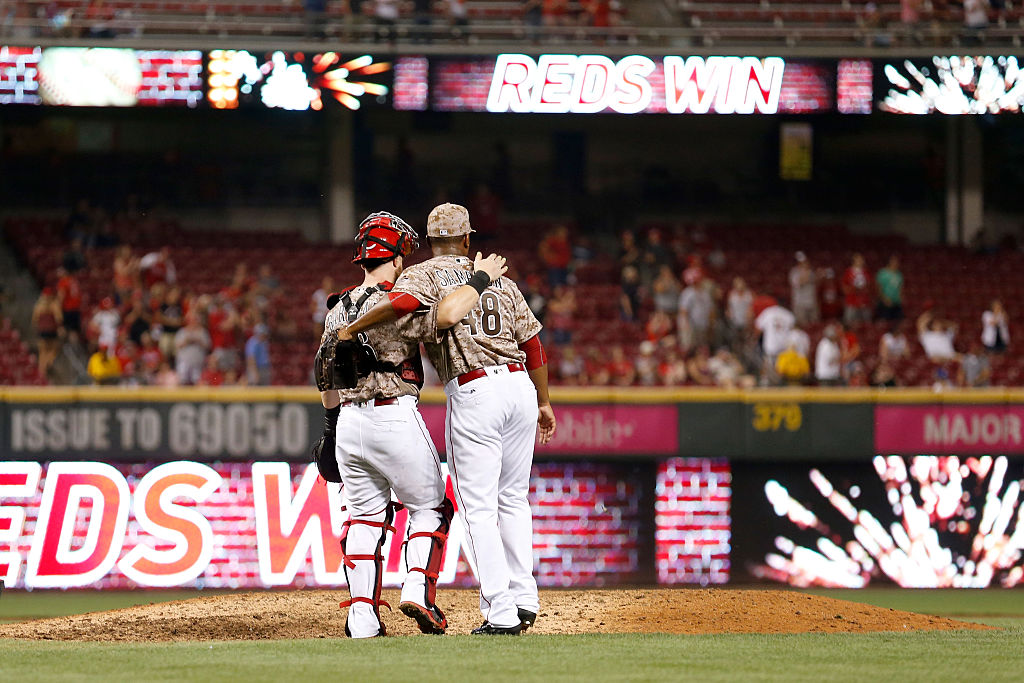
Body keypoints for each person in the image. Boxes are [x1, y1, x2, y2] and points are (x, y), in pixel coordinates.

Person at [339, 203, 556, 635]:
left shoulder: (425, 273)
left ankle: (501, 611)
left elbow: (399, 302)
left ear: (431, 240)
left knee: (478, 509)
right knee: (513, 498)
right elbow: (532, 344)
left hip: (475, 389)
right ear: (468, 239)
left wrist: (352, 327)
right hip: (521, 389)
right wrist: (545, 402)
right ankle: (525, 596)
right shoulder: (502, 281)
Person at [318, 211, 455, 639]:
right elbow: (443, 321)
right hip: (393, 412)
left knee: (363, 520)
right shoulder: (396, 299)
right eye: (403, 251)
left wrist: (330, 425)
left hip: (348, 423)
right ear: (392, 254)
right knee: (431, 507)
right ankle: (418, 588)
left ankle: (362, 618)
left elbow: (325, 374)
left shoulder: (336, 308)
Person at [32, 287, 63, 378]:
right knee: (53, 349)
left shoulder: (38, 306)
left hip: (42, 331)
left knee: (42, 352)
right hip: (51, 331)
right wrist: (60, 328)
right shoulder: (54, 305)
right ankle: (48, 364)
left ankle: (42, 372)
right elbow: (59, 318)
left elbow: (34, 320)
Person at [174, 314, 211, 385]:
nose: (193, 322)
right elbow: (177, 346)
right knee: (182, 382)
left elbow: (208, 346)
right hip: (184, 361)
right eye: (191, 320)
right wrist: (186, 341)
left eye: (194, 320)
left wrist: (198, 341)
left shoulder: (203, 332)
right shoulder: (182, 332)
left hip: (198, 362)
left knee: (198, 382)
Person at [842, 253, 872, 327]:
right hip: (851, 301)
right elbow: (844, 288)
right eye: (858, 259)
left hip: (864, 302)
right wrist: (853, 289)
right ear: (854, 260)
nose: (860, 261)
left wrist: (864, 289)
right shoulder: (848, 272)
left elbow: (869, 286)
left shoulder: (865, 272)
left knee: (865, 324)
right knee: (849, 324)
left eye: (861, 259)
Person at [789, 252, 818, 326]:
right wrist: (806, 273)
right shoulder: (794, 272)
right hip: (800, 303)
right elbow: (801, 282)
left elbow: (816, 282)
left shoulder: (811, 272)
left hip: (811, 301)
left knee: (814, 324)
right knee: (802, 325)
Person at [875, 255, 904, 321]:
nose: (896, 263)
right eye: (894, 262)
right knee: (885, 320)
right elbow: (878, 287)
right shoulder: (882, 273)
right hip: (885, 302)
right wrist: (884, 299)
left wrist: (901, 298)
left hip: (896, 302)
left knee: (898, 320)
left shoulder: (899, 274)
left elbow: (901, 287)